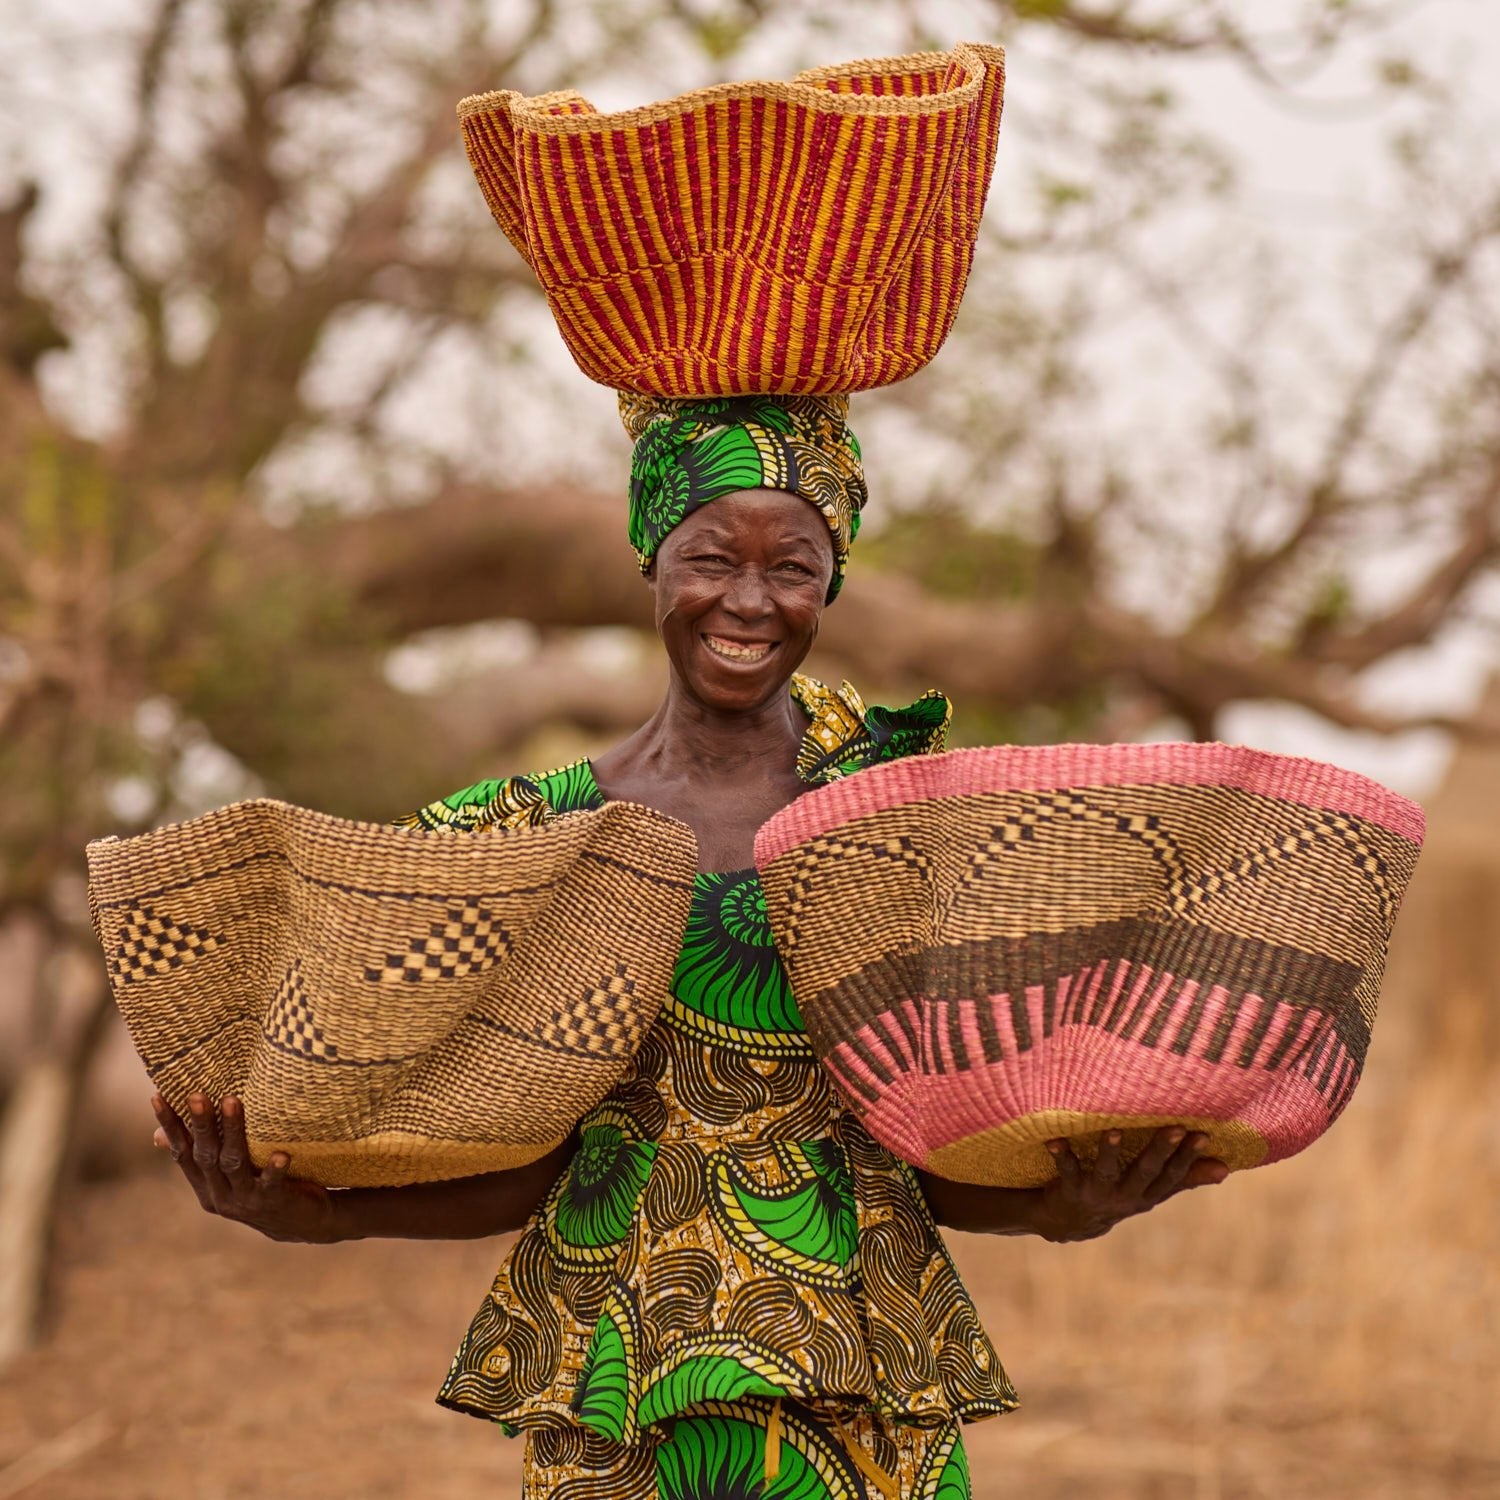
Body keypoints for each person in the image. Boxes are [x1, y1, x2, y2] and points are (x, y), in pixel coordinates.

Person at [151, 392, 1228, 1499]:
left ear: (831, 584)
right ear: (651, 557)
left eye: (793, 567)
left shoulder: (893, 812)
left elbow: (916, 1151)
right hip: (621, 1390)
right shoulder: (537, 839)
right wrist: (318, 1217)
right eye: (712, 557)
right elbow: (539, 1164)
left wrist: (1061, 1208)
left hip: (860, 1390)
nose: (749, 601)